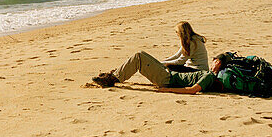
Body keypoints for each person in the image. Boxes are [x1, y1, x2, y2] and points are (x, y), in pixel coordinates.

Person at [92, 52, 232, 94]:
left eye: (215, 60)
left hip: (167, 79)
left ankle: (113, 78)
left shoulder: (208, 76)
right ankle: (116, 74)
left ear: (218, 63)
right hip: (169, 75)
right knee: (143, 57)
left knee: (139, 56)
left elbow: (192, 90)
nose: (212, 60)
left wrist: (167, 89)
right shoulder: (207, 73)